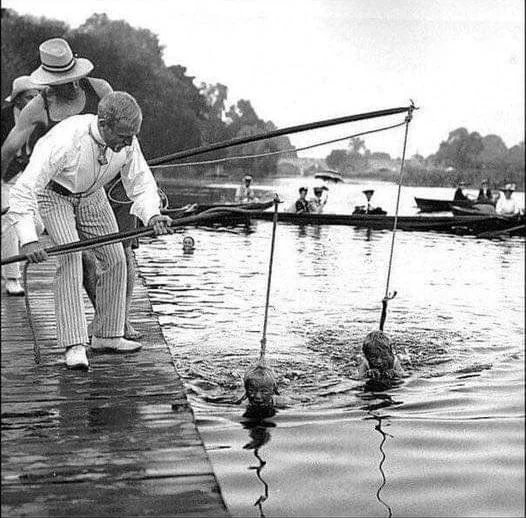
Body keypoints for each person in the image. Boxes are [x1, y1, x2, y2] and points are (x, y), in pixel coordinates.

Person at [8, 91, 173, 370]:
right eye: (123, 135)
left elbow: (141, 182)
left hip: (93, 196)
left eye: (133, 135)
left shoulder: (127, 141)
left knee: (115, 258)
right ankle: (74, 344)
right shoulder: (64, 141)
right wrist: (28, 240)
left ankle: (107, 335)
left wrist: (153, 214)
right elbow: (24, 190)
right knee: (71, 259)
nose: (129, 142)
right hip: (54, 195)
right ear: (104, 123)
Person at [1, 37, 140, 338]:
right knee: (81, 256)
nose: (72, 85)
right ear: (48, 81)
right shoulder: (38, 108)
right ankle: (97, 325)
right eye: (63, 81)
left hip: (106, 183)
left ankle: (117, 321)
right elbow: (9, 149)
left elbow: (123, 129)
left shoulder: (100, 89)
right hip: (62, 189)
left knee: (122, 252)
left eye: (74, 79)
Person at [1, 76, 43, 295]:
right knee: (10, 222)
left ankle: (8, 256)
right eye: (29, 97)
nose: (34, 100)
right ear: (17, 100)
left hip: (29, 180)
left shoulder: (41, 119)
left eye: (37, 96)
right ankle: (12, 279)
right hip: (4, 179)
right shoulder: (3, 118)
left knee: (37, 226)